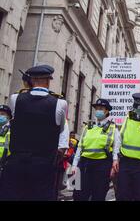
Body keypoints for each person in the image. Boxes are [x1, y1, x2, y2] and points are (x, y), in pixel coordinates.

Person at [1, 65, 69, 201]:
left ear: (29, 80)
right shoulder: (60, 103)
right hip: (43, 165)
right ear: (48, 80)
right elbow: (61, 129)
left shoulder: (16, 98)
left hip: (16, 162)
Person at [71, 99, 121, 201]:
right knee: (78, 194)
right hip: (84, 164)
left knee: (98, 195)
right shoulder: (88, 127)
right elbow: (80, 147)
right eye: (97, 108)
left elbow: (116, 148)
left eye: (101, 109)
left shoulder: (113, 128)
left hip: (102, 165)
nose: (98, 110)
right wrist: (74, 165)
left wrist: (114, 164)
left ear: (107, 111)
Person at [0, 105, 12, 189]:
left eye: (2, 114)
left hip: (5, 165)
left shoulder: (13, 130)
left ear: (8, 117)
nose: (0, 116)